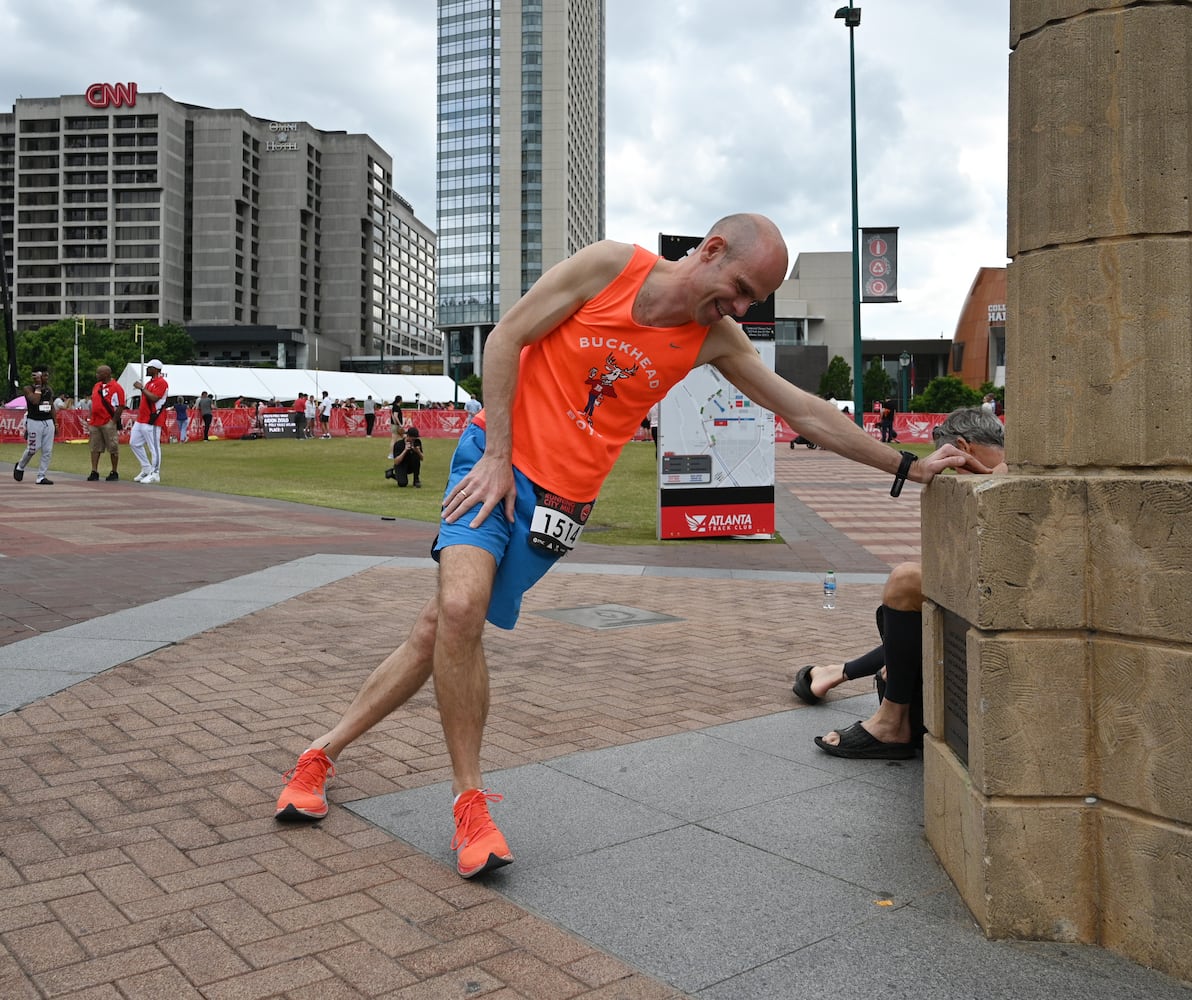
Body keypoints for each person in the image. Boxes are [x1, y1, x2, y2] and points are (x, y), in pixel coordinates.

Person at [272, 213, 992, 878]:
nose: (740, 309)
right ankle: (470, 806)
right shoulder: (610, 267)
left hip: (561, 504)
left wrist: (905, 465)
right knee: (457, 610)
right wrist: (494, 451)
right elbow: (506, 338)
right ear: (709, 249)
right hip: (494, 464)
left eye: (754, 301)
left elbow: (801, 408)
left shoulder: (714, 339)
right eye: (739, 290)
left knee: (437, 631)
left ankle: (319, 755)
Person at [792, 408, 1006, 758]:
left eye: (950, 462)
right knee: (908, 609)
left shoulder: (1007, 469)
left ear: (963, 447)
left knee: (905, 582)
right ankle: (836, 673)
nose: (948, 473)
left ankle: (888, 717)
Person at [13, 365, 57, 485]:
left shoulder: (48, 389)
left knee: (47, 450)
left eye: (47, 375)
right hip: (34, 421)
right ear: (37, 376)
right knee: (33, 449)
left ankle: (41, 476)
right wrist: (38, 386)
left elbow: (51, 406)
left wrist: (55, 423)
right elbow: (35, 401)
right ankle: (20, 466)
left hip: (48, 421)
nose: (47, 377)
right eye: (44, 375)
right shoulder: (28, 389)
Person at [129, 359, 169, 484]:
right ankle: (146, 468)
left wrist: (141, 388)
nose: (147, 369)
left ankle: (155, 473)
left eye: (149, 367)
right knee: (134, 443)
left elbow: (154, 398)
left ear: (155, 369)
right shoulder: (150, 383)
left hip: (153, 419)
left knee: (154, 447)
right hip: (142, 418)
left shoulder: (162, 382)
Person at [87, 364, 125, 481]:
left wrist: (113, 421)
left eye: (99, 373)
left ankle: (114, 471)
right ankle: (94, 470)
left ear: (106, 374)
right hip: (95, 421)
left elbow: (121, 405)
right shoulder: (97, 386)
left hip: (107, 421)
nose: (96, 375)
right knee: (95, 447)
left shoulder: (116, 387)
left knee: (113, 447)